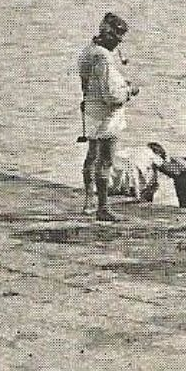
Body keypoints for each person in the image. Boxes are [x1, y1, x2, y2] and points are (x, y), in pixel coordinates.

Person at [77, 12, 141, 223]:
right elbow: (112, 95)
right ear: (108, 34)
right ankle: (103, 207)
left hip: (90, 108)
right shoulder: (104, 57)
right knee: (105, 161)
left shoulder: (88, 51)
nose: (120, 41)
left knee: (91, 154)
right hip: (107, 115)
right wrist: (129, 90)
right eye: (118, 36)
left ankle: (88, 200)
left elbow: (88, 83)